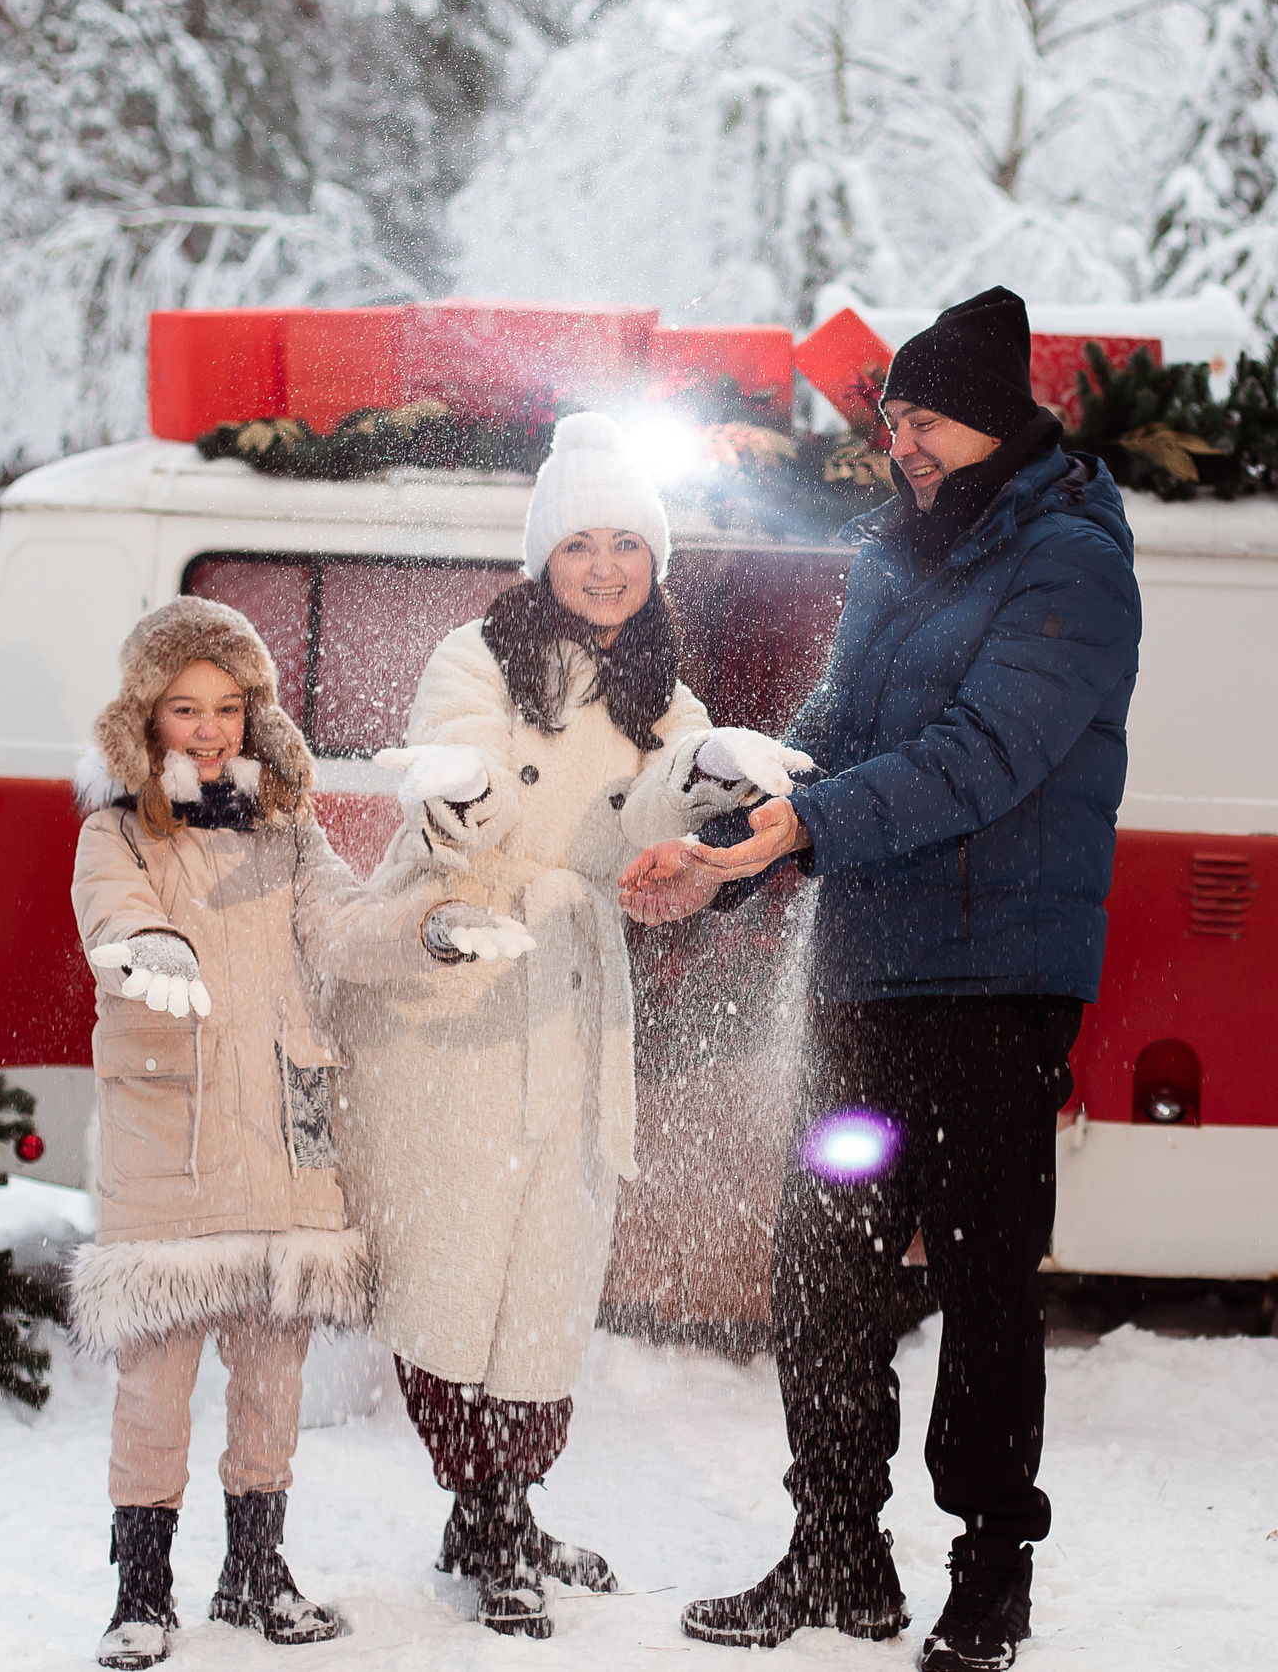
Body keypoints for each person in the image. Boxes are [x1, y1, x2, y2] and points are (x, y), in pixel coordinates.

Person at [623, 287, 1142, 1672]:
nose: (899, 444)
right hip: (867, 977)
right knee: (825, 1271)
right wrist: (728, 842)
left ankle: (990, 1572)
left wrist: (802, 825)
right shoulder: (896, 554)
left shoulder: (1072, 559)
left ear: (993, 422)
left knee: (981, 1282)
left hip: (994, 986)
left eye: (924, 422)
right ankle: (838, 1548)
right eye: (892, 419)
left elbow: (986, 754)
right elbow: (833, 737)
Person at [329, 412, 811, 1639]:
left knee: (550, 1263)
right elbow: (464, 783)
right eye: (581, 544)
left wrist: (706, 774)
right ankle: (484, 1514)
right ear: (543, 555)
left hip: (576, 996)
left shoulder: (665, 689)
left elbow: (650, 811)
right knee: (454, 1259)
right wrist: (463, 788)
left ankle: (508, 1504)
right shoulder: (475, 657)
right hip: (459, 987)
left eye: (627, 544)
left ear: (655, 560)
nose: (604, 567)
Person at [67, 597, 535, 1670]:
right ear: (146, 715)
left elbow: (344, 925)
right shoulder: (116, 832)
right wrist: (149, 947)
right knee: (156, 1384)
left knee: (273, 1378)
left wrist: (430, 927)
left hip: (287, 1131)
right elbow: (111, 915)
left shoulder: (285, 831)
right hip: (173, 1137)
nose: (209, 729)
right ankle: (142, 1588)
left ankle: (255, 1569)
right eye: (185, 707)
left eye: (228, 706)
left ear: (255, 714)